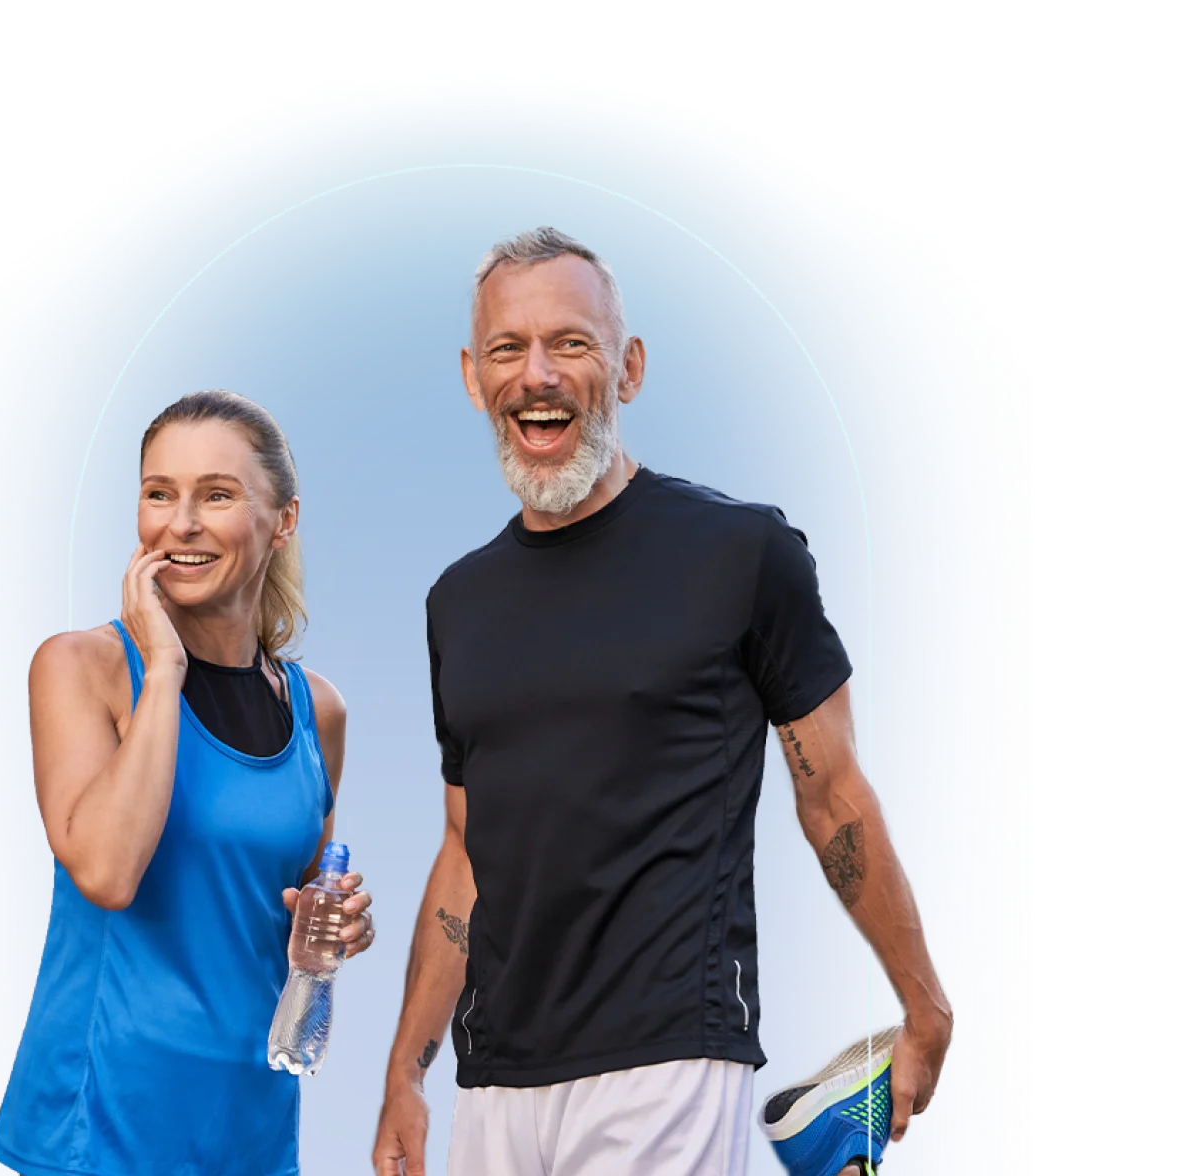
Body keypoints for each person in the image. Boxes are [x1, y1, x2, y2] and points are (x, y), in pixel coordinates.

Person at [370, 228, 953, 1176]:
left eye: (571, 343)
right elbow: (463, 851)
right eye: (510, 349)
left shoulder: (740, 553)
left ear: (628, 367)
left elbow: (833, 795)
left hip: (668, 1058)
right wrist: (405, 1073)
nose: (538, 375)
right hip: (495, 1080)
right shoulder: (457, 601)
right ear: (474, 379)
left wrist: (926, 1012)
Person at [0, 389, 375, 1176]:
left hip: (250, 1121)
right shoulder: (82, 668)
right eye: (159, 493)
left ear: (284, 521)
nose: (181, 523)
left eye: (217, 495)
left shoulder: (317, 710)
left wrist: (331, 933)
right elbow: (105, 872)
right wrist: (163, 668)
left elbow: (286, 908)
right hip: (103, 1126)